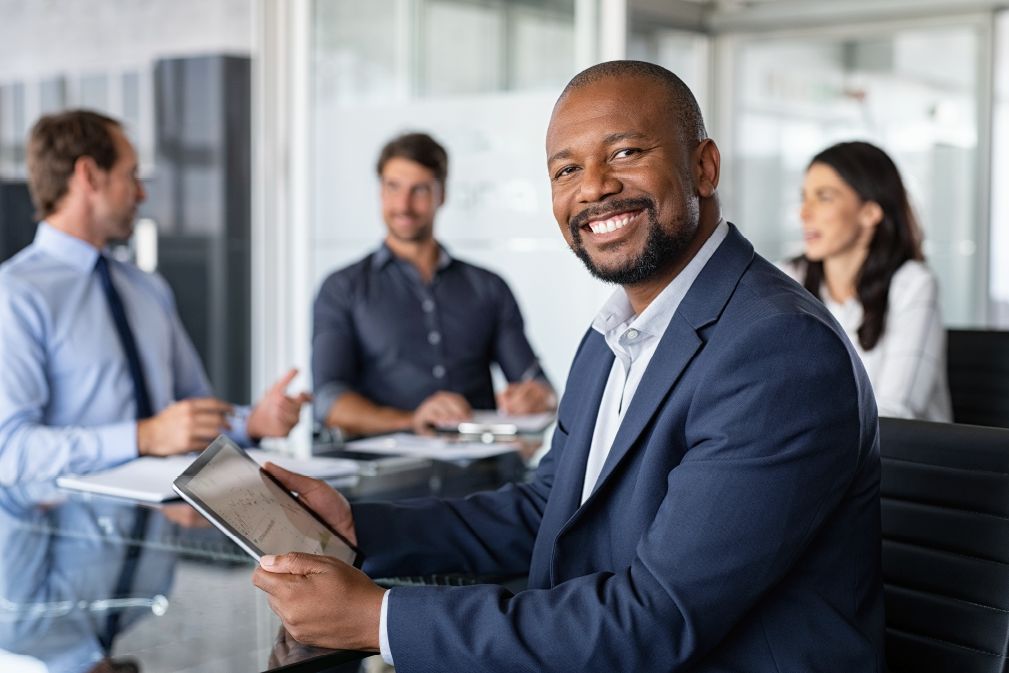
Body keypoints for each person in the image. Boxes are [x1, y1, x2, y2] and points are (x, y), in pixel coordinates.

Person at [253, 61, 884, 672]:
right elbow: (548, 510)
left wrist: (380, 620)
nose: (593, 187)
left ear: (704, 166)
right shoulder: (615, 333)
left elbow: (656, 620)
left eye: (625, 152)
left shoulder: (776, 347)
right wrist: (357, 527)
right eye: (566, 169)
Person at [0, 110, 310, 485]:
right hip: (67, 517)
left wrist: (253, 422)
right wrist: (143, 437)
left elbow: (190, 413)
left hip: (167, 510)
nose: (142, 193)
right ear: (89, 175)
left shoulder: (147, 288)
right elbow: (11, 452)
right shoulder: (16, 294)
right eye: (131, 175)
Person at [311, 132, 555, 436]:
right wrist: (411, 420)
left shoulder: (489, 287)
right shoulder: (342, 288)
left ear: (442, 194)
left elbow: (538, 384)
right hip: (385, 462)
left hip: (481, 461)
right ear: (380, 191)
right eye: (393, 187)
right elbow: (328, 400)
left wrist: (538, 397)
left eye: (420, 190)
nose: (404, 205)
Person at [783, 140, 952, 421]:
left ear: (870, 212)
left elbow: (896, 415)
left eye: (824, 197)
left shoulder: (912, 286)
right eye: (804, 197)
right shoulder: (787, 278)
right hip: (816, 445)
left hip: (900, 449)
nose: (804, 213)